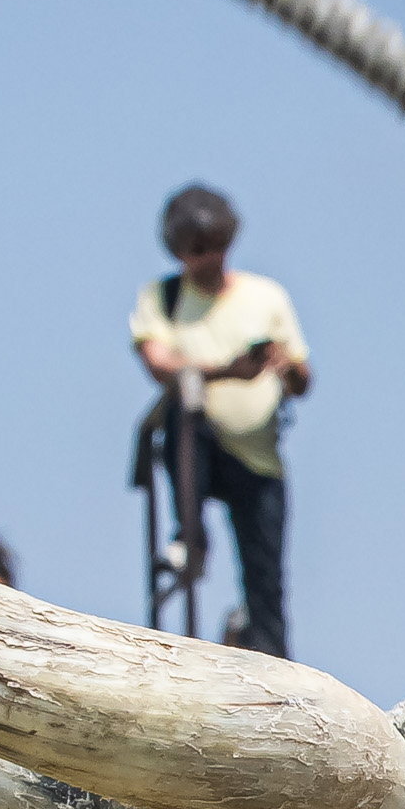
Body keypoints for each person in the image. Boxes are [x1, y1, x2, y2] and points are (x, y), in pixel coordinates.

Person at [129, 184, 311, 658]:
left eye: (217, 246)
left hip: (259, 458)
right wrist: (228, 371)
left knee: (265, 584)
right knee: (182, 411)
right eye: (197, 250)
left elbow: (303, 378)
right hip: (196, 448)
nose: (208, 257)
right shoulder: (163, 297)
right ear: (178, 251)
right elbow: (159, 363)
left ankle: (274, 669)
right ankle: (190, 537)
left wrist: (284, 365)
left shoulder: (267, 296)